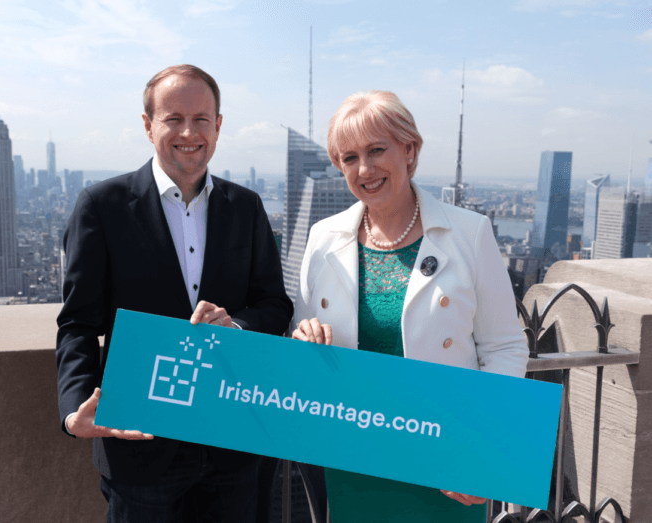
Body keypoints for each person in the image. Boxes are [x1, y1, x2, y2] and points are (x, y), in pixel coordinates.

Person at [56, 64, 293, 523]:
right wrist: (73, 411)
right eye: (173, 119)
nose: (189, 132)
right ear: (148, 126)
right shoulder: (102, 206)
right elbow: (78, 324)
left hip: (233, 442)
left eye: (202, 119)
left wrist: (239, 324)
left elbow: (275, 304)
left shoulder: (246, 207)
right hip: (140, 442)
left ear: (218, 127)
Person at [292, 91, 529, 523]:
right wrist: (304, 338)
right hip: (353, 458)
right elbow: (302, 336)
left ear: (409, 149)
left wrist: (480, 450)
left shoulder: (469, 233)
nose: (364, 169)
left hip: (449, 461)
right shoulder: (323, 237)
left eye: (377, 150)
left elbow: (506, 347)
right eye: (349, 158)